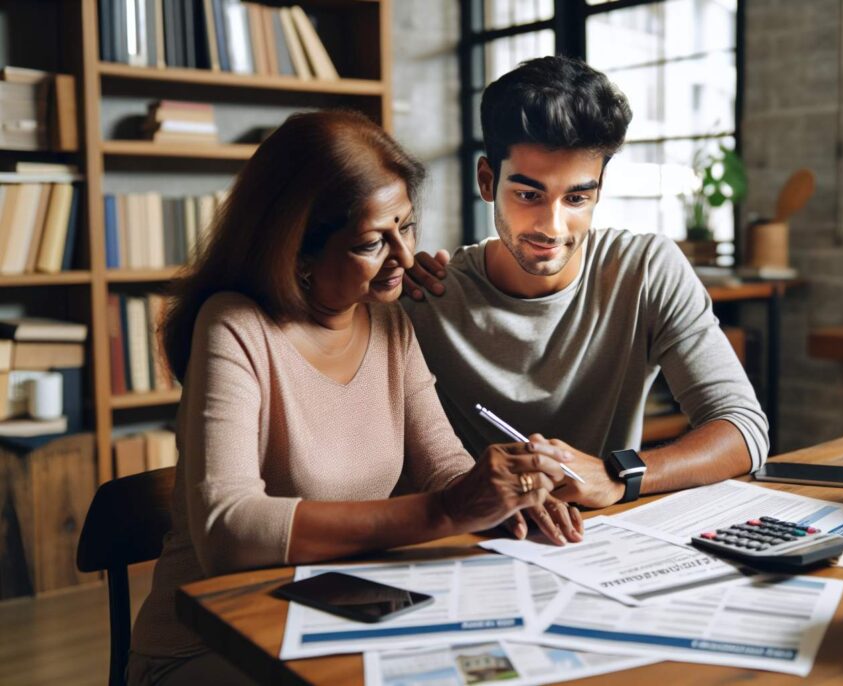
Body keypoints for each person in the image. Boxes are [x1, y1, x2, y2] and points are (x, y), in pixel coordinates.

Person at [127, 111, 580, 686]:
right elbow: (229, 530)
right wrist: (445, 511)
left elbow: (443, 465)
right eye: (372, 242)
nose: (405, 258)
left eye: (407, 227)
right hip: (210, 641)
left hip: (343, 611)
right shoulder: (236, 327)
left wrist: (506, 501)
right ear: (298, 254)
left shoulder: (390, 327)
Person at [401, 56, 769, 543]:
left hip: (597, 543)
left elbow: (743, 430)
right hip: (468, 548)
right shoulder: (428, 294)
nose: (553, 228)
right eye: (529, 195)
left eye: (576, 198)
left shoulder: (644, 270)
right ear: (487, 181)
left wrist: (618, 476)